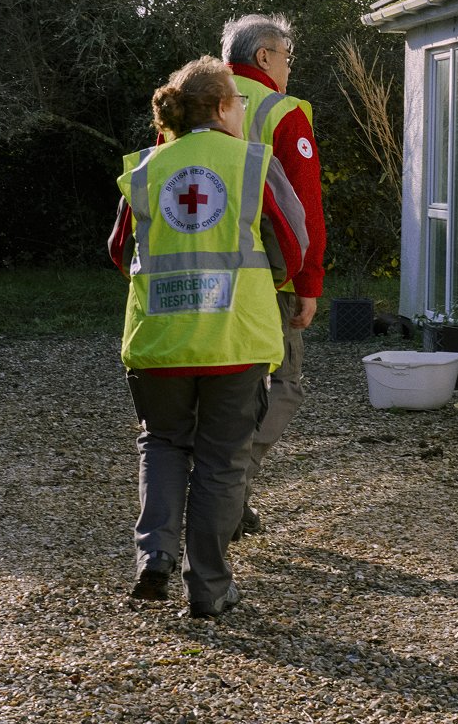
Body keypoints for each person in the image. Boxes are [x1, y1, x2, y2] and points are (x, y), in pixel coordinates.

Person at [110, 55, 303, 617]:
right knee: (222, 461)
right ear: (222, 107)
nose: (242, 112)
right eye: (238, 104)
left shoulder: (146, 167)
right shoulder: (252, 165)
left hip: (159, 343)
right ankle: (210, 587)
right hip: (233, 341)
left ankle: (153, 558)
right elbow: (292, 248)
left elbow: (120, 252)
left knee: (163, 443)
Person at [221, 14, 326, 536]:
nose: (289, 67)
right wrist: (308, 284)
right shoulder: (282, 111)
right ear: (264, 56)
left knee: (219, 386)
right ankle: (229, 491)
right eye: (286, 56)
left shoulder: (188, 99)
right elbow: (304, 209)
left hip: (199, 278)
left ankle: (222, 496)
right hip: (271, 278)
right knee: (282, 385)